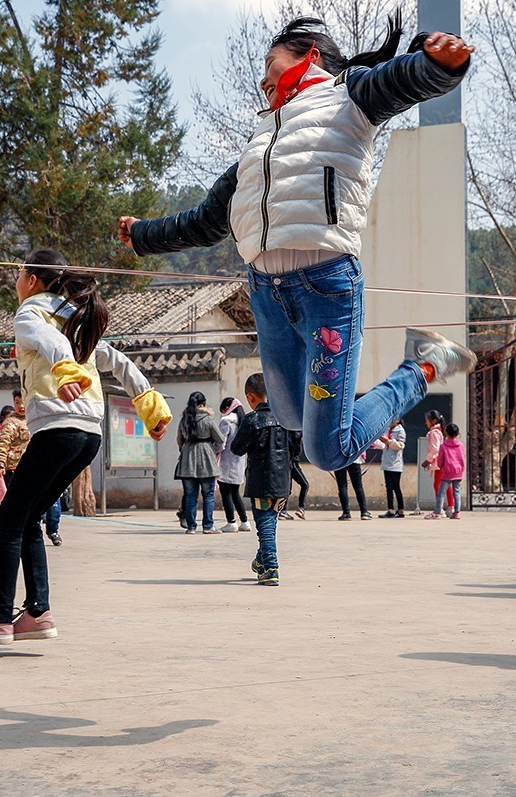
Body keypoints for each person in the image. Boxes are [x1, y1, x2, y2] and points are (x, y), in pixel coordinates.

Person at [118, 15, 477, 473]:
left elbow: (398, 80)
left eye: (270, 62)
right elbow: (208, 221)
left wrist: (438, 65)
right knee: (289, 418)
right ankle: (408, 372)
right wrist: (143, 234)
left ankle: (421, 367)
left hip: (326, 288)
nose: (262, 80)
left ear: (309, 55)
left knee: (327, 450)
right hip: (266, 292)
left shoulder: (349, 95)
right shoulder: (260, 141)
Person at [0, 249, 170, 644]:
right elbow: (118, 361)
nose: (17, 281)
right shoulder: (75, 317)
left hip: (57, 428)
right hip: (88, 435)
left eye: (19, 274)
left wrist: (65, 370)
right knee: (28, 516)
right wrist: (149, 405)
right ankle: (37, 614)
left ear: (32, 280)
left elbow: (49, 341)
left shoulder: (31, 312)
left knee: (9, 519)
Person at [230, 372, 291, 586]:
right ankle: (261, 562)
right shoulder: (287, 418)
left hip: (261, 482)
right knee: (270, 523)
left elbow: (237, 448)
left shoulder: (252, 419)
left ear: (250, 397)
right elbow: (297, 449)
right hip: (283, 482)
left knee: (265, 525)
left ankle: (271, 568)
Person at [176, 391, 224, 534]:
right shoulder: (207, 419)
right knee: (208, 494)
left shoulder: (184, 420)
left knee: (190, 495)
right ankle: (208, 526)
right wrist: (212, 449)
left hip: (187, 460)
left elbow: (179, 440)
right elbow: (220, 439)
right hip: (206, 459)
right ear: (203, 403)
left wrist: (186, 449)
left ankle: (191, 527)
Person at [216, 397, 250, 533]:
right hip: (239, 462)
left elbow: (221, 443)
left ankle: (231, 522)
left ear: (227, 408)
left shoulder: (226, 421)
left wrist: (214, 451)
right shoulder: (244, 421)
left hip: (226, 462)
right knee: (235, 493)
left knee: (226, 494)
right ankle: (245, 521)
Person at [0, 392, 30, 508]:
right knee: (16, 499)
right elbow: (3, 443)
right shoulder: (11, 422)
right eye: (17, 403)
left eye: (23, 402)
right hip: (14, 467)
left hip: (31, 465)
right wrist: (0, 464)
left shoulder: (34, 418)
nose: (21, 406)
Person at [429, 422, 464, 519]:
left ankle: (437, 512)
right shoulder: (461, 445)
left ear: (446, 433)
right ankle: (456, 512)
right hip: (458, 472)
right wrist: (461, 469)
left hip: (447, 472)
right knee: (456, 492)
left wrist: (440, 466)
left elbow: (440, 460)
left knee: (441, 492)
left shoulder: (443, 446)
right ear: (457, 433)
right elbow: (462, 458)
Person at [421, 410, 453, 514]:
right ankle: (450, 507)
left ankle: (440, 509)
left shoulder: (434, 432)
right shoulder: (439, 431)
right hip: (443, 461)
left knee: (437, 485)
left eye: (427, 420)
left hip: (439, 462)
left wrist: (428, 460)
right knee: (446, 484)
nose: (426, 422)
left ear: (433, 421)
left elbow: (435, 449)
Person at [373, 418, 407, 517]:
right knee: (388, 487)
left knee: (396, 487)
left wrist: (388, 441)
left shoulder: (400, 431)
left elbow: (400, 446)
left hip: (396, 463)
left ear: (398, 420)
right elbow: (383, 444)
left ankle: (401, 510)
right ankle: (390, 510)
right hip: (386, 462)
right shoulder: (386, 429)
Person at [334, 455, 371, 520]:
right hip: (354, 460)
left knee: (342, 487)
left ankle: (346, 513)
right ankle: (364, 512)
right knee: (358, 487)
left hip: (339, 461)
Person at [282, 431, 309, 520]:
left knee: (288, 488)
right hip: (292, 462)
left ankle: (283, 510)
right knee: (305, 485)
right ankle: (300, 508)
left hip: (288, 461)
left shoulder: (287, 430)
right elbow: (295, 448)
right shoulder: (296, 432)